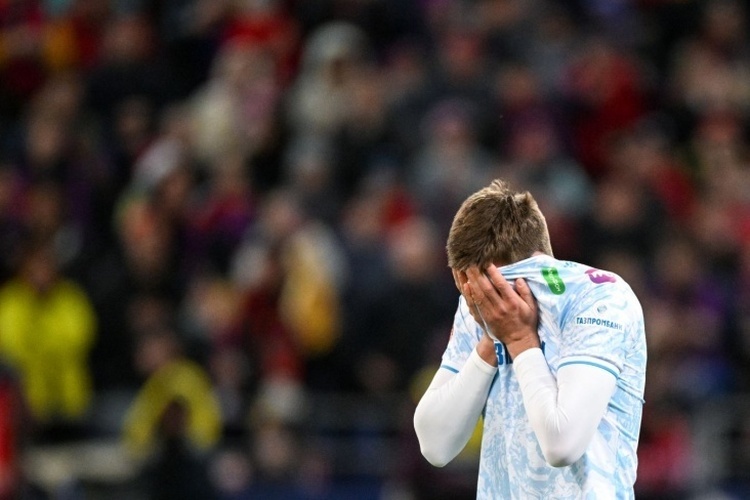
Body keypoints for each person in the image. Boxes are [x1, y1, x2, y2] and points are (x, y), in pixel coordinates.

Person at [413, 179, 647, 498]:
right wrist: (490, 342)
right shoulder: (481, 307)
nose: (490, 300)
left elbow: (562, 445)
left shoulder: (599, 297)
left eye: (500, 286)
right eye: (477, 289)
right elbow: (435, 445)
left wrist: (520, 340)